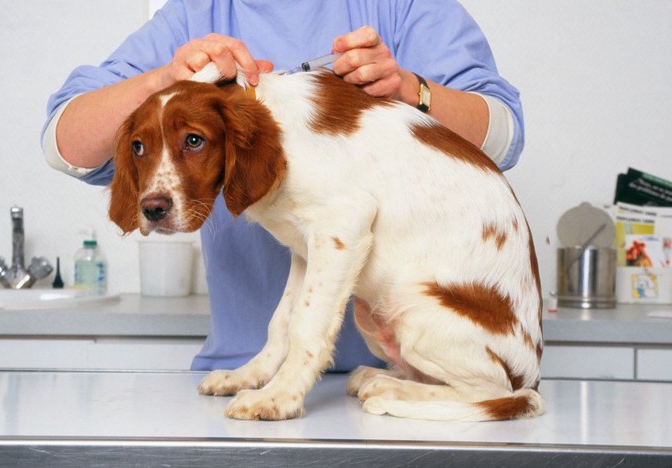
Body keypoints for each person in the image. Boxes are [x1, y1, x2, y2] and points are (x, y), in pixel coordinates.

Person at [42, 0, 525, 372]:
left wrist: (407, 89)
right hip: (247, 367)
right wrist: (166, 83)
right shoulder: (197, 12)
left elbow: (503, 136)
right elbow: (63, 141)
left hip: (401, 368)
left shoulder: (403, 7)